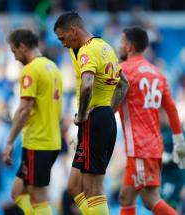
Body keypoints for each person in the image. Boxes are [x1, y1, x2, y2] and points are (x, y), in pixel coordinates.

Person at [54, 11, 129, 214]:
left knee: (93, 189)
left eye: (63, 38)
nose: (62, 44)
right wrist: (108, 112)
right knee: (74, 186)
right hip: (102, 118)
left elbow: (86, 85)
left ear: (73, 30)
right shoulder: (105, 47)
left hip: (93, 119)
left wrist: (83, 114)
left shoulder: (88, 51)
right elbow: (124, 84)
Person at [118, 26, 185, 215]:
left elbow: (112, 106)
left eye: (121, 42)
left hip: (140, 148)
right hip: (153, 145)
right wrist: (179, 139)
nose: (119, 46)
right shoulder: (157, 72)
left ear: (129, 46)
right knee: (126, 196)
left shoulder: (124, 70)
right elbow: (171, 108)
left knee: (150, 200)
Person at [2, 29, 63, 215]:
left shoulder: (30, 70)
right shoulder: (52, 67)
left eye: (14, 52)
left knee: (38, 197)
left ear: (22, 46)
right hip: (50, 140)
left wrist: (10, 141)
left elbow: (24, 109)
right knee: (18, 192)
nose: (14, 57)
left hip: (39, 141)